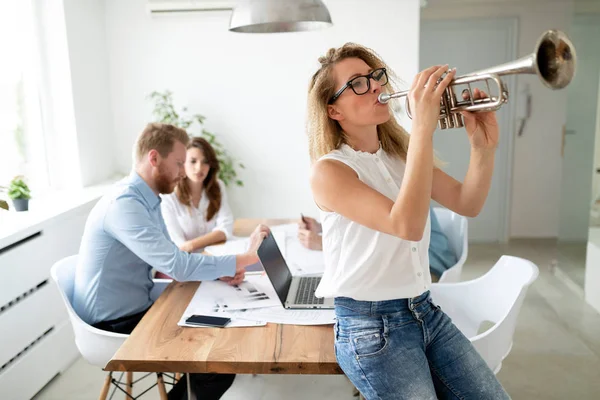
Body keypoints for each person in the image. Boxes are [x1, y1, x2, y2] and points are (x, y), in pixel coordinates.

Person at [306, 43, 508, 399]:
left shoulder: (400, 157)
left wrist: (483, 148)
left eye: (375, 76)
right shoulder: (331, 171)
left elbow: (468, 202)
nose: (374, 87)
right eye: (356, 83)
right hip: (370, 327)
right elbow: (407, 226)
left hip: (424, 310)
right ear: (333, 109)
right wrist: (423, 130)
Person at [73, 123, 268, 400]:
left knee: (220, 321)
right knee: (218, 353)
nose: (182, 172)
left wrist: (219, 273)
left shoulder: (147, 200)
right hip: (113, 323)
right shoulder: (125, 204)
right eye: (179, 163)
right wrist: (244, 258)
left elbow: (170, 261)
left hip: (137, 303)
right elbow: (177, 266)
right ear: (154, 158)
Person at [298, 207, 458, 281]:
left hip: (431, 267)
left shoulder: (391, 178)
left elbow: (378, 245)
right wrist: (322, 227)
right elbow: (365, 225)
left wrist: (324, 244)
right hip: (417, 258)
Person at [157, 137, 234, 279]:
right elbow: (179, 247)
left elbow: (226, 229)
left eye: (205, 162)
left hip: (214, 258)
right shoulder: (169, 197)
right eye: (193, 161)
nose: (199, 168)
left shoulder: (218, 187)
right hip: (184, 268)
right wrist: (198, 245)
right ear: (182, 163)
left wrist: (191, 245)